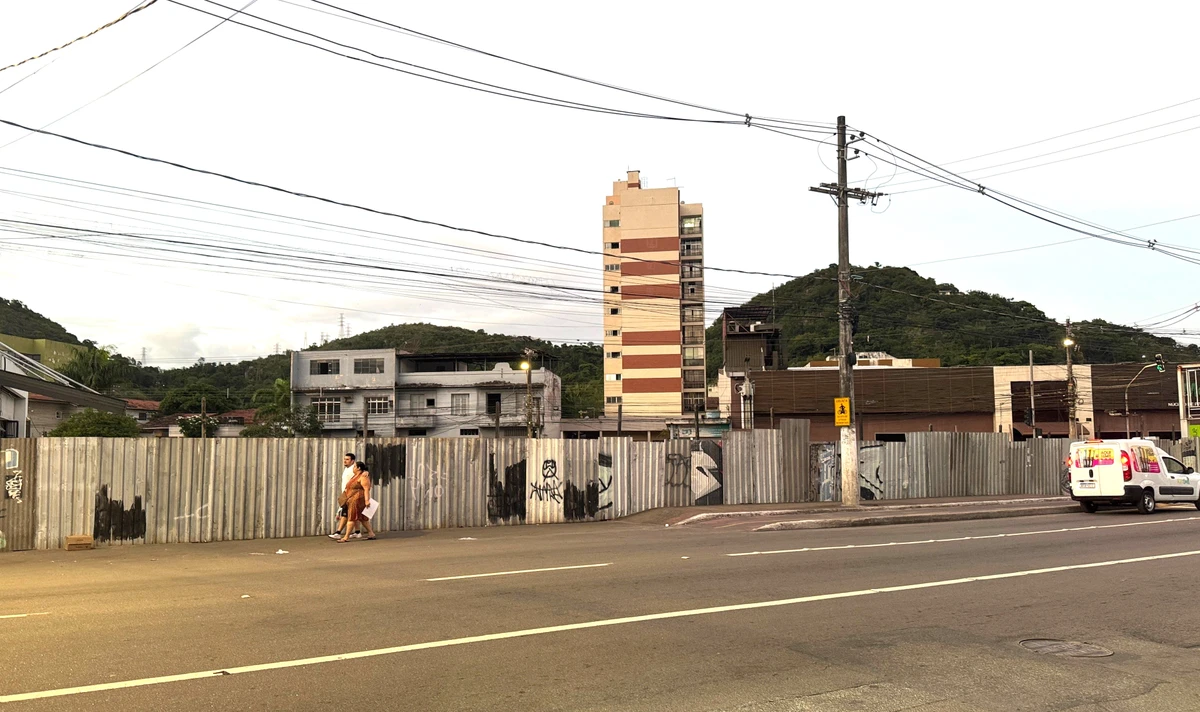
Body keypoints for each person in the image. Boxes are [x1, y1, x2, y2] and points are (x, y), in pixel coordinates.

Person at [336, 460, 376, 542]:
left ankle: (346, 537)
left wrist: (367, 500)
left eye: (354, 466)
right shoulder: (355, 476)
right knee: (362, 518)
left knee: (352, 517)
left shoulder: (363, 477)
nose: (353, 468)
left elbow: (366, 489)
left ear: (358, 468)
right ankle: (371, 533)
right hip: (351, 499)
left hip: (357, 500)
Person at [329, 453, 362, 540]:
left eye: (347, 459)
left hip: (351, 496)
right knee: (354, 515)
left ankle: (338, 532)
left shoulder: (353, 469)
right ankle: (357, 532)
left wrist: (366, 472)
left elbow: (363, 473)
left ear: (352, 461)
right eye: (344, 459)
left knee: (346, 514)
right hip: (346, 494)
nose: (345, 461)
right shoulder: (347, 469)